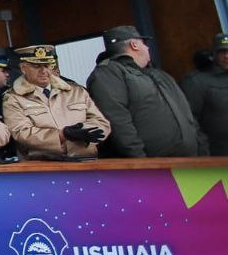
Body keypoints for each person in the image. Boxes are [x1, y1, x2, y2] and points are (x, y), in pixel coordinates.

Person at [87, 26, 207, 158]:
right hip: (153, 171)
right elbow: (118, 122)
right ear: (135, 45)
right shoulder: (109, 73)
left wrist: (203, 153)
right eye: (144, 44)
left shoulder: (161, 75)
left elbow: (188, 116)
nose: (148, 48)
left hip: (193, 165)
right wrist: (141, 162)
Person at [5, 44, 110, 158]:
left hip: (85, 158)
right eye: (36, 66)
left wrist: (83, 132)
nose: (43, 70)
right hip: (43, 165)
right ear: (23, 68)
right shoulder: (13, 97)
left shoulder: (76, 91)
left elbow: (101, 122)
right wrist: (62, 135)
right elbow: (21, 133)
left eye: (47, 65)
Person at [179, 33, 228, 155]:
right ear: (214, 54)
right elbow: (189, 119)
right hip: (217, 154)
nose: (227, 56)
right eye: (222, 52)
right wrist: (203, 149)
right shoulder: (196, 81)